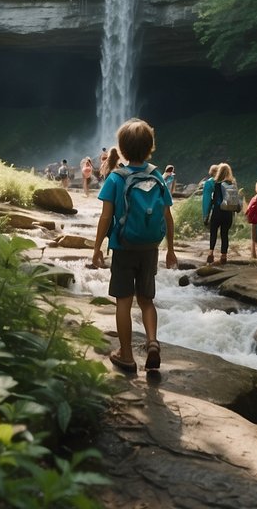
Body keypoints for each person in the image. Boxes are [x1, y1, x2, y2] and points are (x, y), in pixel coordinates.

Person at [91, 118, 178, 373]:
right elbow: (167, 216)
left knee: (124, 301)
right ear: (150, 147)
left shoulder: (116, 178)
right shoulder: (157, 175)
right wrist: (171, 249)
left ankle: (126, 354)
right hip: (150, 248)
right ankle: (152, 342)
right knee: (147, 300)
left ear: (122, 148)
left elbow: (105, 217)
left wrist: (97, 248)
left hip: (123, 247)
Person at [206, 163, 238, 264]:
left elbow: (213, 199)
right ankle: (223, 256)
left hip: (217, 212)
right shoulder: (232, 184)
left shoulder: (216, 184)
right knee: (225, 234)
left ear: (219, 172)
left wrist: (207, 214)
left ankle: (211, 253)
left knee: (213, 232)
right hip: (228, 213)